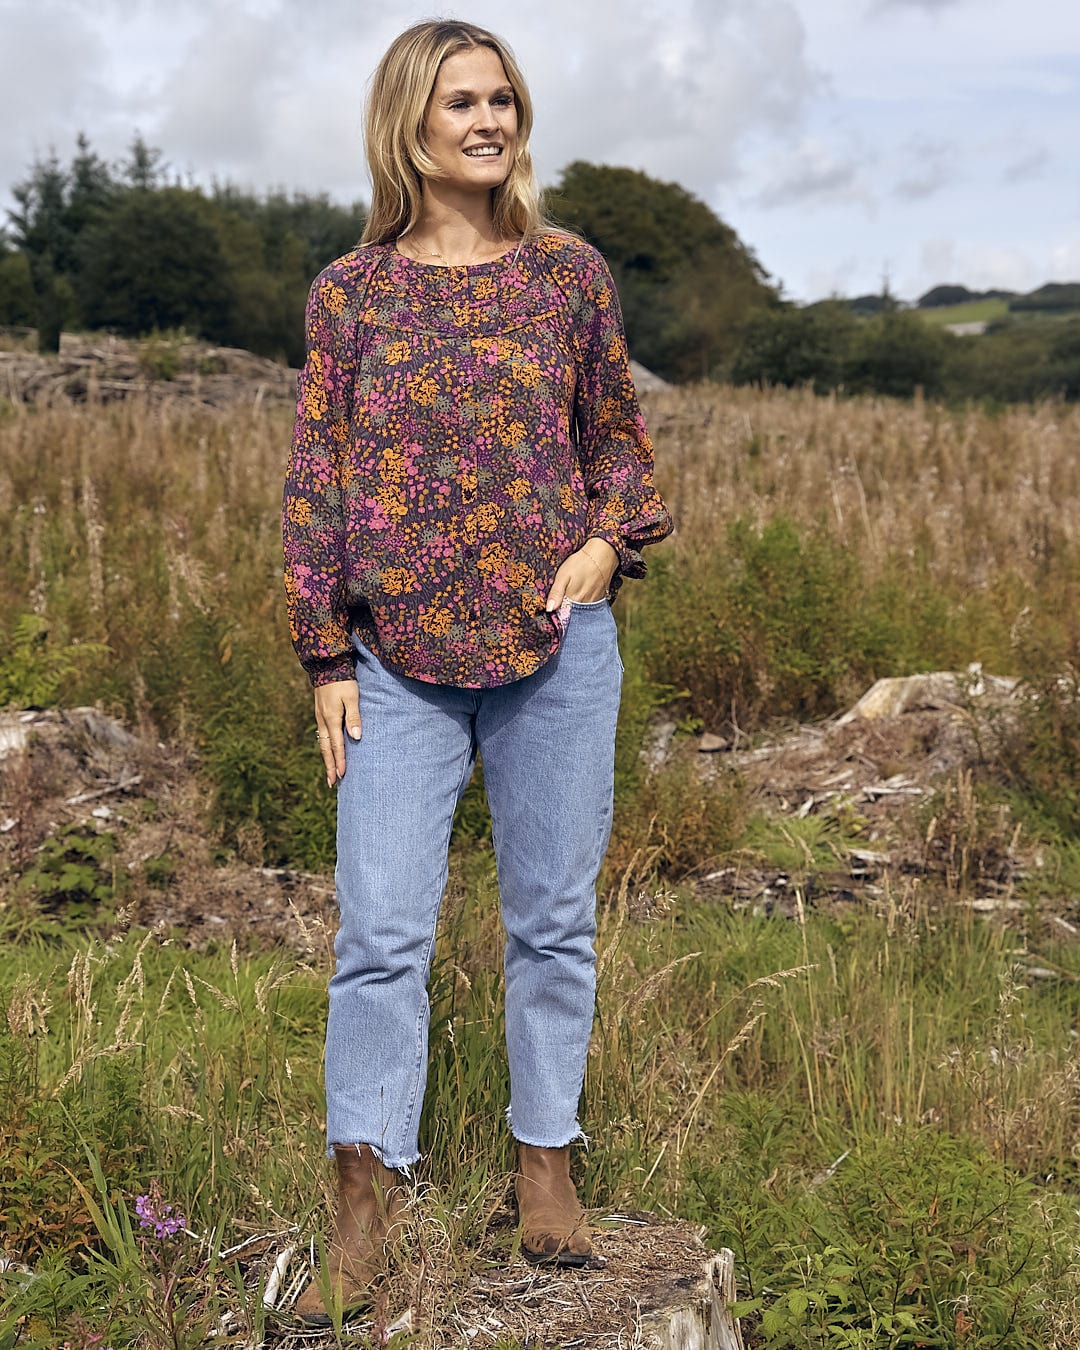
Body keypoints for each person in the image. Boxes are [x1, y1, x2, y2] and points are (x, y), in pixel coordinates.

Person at [282, 17, 673, 1324]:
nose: (489, 119)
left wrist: (610, 546)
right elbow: (317, 482)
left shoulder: (570, 275)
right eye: (461, 100)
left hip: (557, 649)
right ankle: (366, 1187)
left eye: (504, 97)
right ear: (412, 121)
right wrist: (325, 650)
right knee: (381, 933)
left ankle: (544, 1163)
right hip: (394, 662)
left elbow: (617, 440)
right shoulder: (351, 292)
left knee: (553, 920)